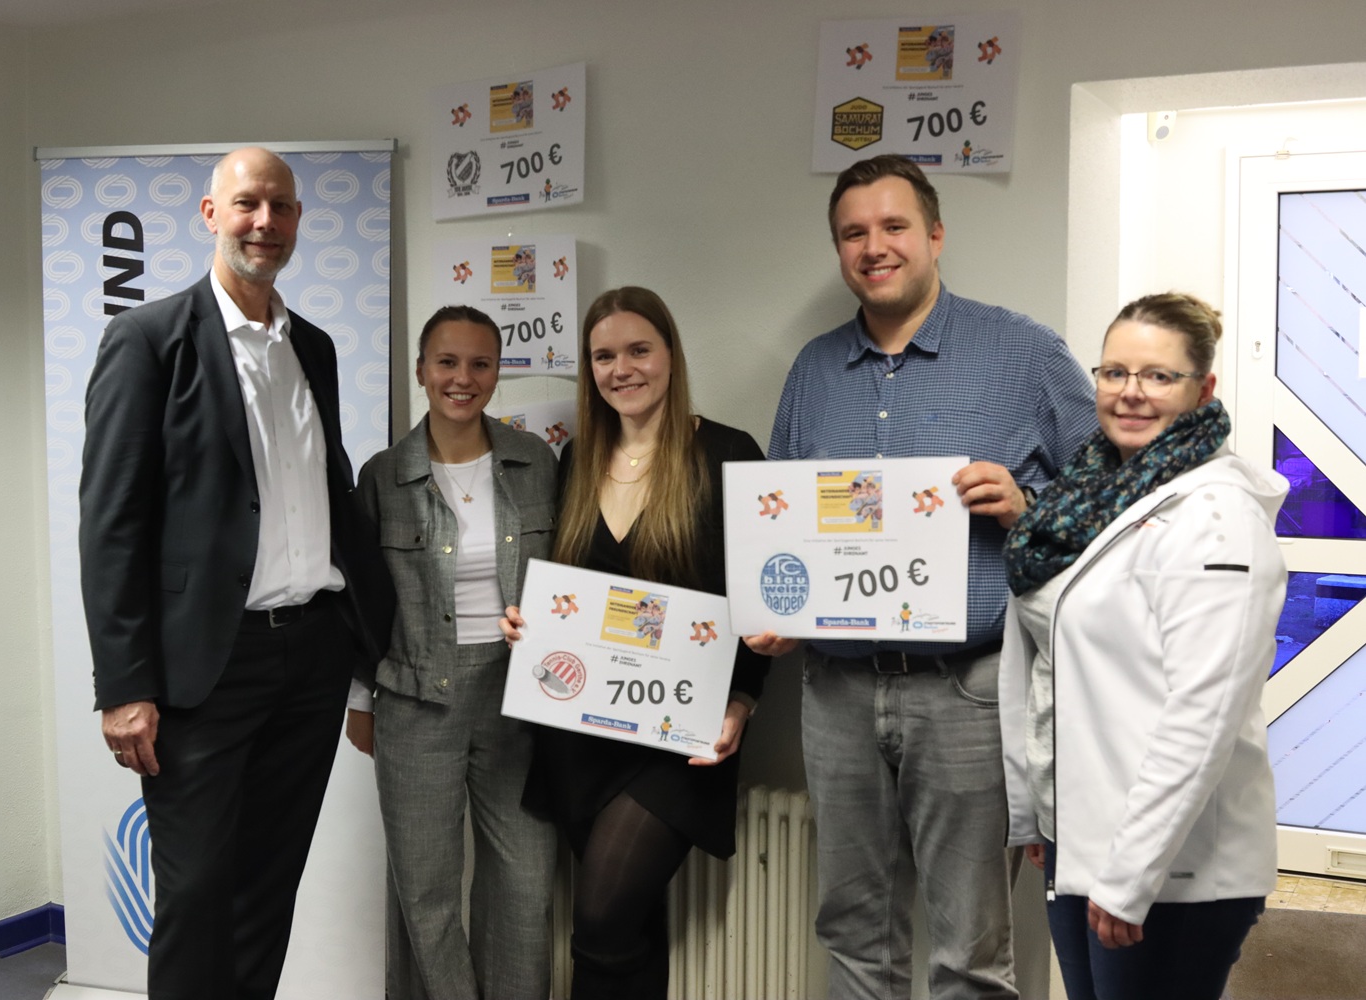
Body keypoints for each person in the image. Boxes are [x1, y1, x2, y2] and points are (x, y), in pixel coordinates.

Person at [752, 154, 1096, 999]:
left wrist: (1026, 506)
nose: (875, 246)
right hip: (835, 693)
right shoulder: (813, 371)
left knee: (969, 945)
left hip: (967, 692)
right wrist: (776, 608)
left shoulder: (1024, 353)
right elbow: (784, 519)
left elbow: (1110, 505)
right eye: (854, 233)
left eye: (894, 226)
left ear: (935, 234)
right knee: (851, 931)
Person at [80, 146, 382, 1000]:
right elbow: (111, 526)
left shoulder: (312, 347)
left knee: (265, 887)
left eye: (281, 207)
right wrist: (123, 686)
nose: (265, 222)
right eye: (247, 204)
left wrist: (362, 645)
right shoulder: (146, 341)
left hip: (312, 658)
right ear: (211, 215)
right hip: (202, 672)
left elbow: (320, 486)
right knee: (195, 891)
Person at [1000, 293, 1286, 1000]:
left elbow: (1202, 716)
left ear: (1203, 391)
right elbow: (1061, 672)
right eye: (1114, 371)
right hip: (1086, 838)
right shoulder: (1093, 497)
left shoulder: (1216, 520)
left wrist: (1129, 876)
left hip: (1169, 869)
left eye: (1159, 376)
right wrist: (1046, 812)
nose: (1131, 392)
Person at [502, 286, 768, 999]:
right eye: (603, 356)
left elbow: (760, 605)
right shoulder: (575, 463)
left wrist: (742, 700)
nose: (622, 369)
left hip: (678, 742)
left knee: (599, 926)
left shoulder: (728, 454)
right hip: (580, 735)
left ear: (671, 355)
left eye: (638, 349)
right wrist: (528, 626)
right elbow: (563, 595)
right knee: (634, 930)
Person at [344, 305, 557, 1000]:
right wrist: (358, 700)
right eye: (447, 362)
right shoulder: (381, 476)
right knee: (424, 892)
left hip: (519, 699)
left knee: (524, 886)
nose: (462, 378)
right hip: (412, 700)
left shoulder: (537, 464)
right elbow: (360, 601)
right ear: (420, 371)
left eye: (479, 363)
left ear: (498, 372)